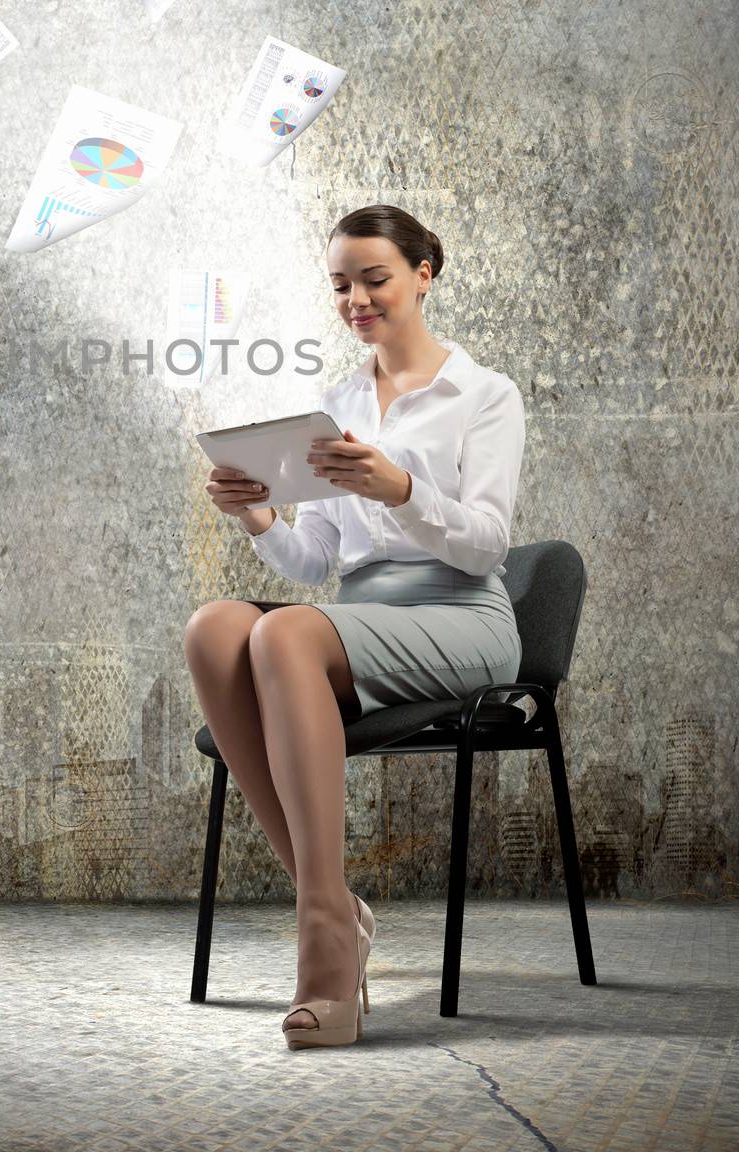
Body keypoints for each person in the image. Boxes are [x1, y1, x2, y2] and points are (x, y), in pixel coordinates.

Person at [184, 203, 526, 1049]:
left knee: (285, 633)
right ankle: (331, 903)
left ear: (422, 274)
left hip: (461, 614)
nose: (358, 299)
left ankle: (325, 942)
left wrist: (398, 490)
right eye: (342, 285)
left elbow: (489, 542)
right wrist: (260, 515)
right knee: (217, 629)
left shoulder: (483, 396)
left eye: (375, 279)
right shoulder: (336, 405)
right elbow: (314, 566)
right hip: (362, 615)